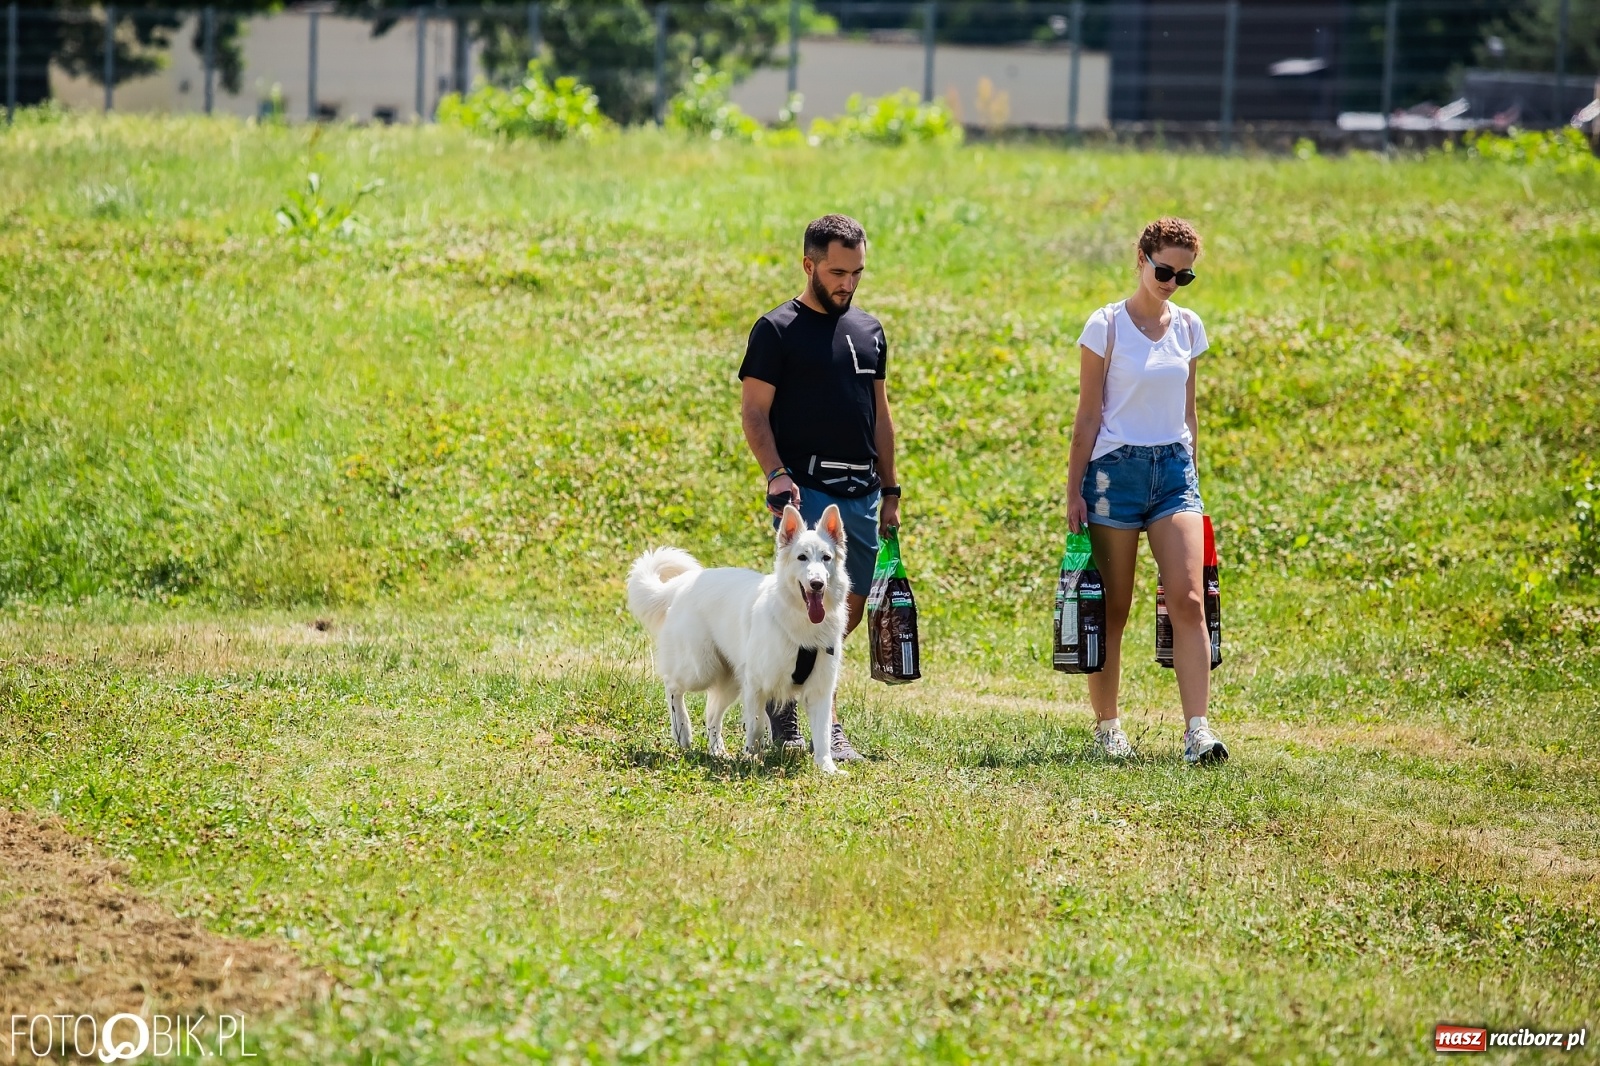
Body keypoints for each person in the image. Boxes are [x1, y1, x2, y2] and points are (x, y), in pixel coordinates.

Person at [1064, 217, 1229, 765]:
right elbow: (1087, 415)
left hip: (1175, 473)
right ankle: (1108, 728)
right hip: (1114, 474)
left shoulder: (1188, 327)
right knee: (1114, 607)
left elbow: (1189, 411)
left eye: (1184, 276)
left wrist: (1196, 482)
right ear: (1141, 259)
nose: (1171, 282)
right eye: (1164, 270)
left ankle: (1198, 732)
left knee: (1188, 599)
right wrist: (1074, 490)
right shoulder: (1106, 325)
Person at [738, 214, 902, 763]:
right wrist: (776, 474)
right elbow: (754, 414)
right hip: (803, 486)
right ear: (808, 265)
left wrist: (892, 488)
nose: (848, 284)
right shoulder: (775, 330)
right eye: (837, 272)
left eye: (856, 273)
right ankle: (814, 722)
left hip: (861, 490)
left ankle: (798, 696)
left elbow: (880, 413)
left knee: (842, 608)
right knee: (805, 594)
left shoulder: (870, 330)